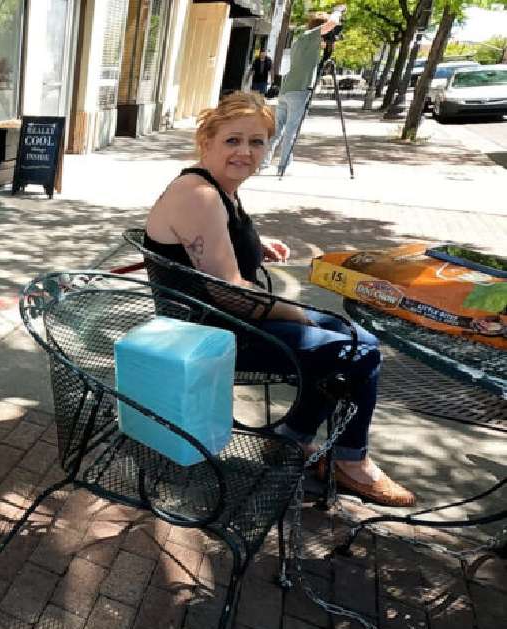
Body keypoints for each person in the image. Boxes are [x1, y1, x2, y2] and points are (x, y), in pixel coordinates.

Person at [144, 91, 416, 507]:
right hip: (211, 336)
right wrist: (298, 313)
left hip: (223, 322)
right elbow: (230, 292)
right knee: (357, 352)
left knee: (360, 338)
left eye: (257, 142)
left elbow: (215, 245)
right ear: (207, 141)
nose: (245, 152)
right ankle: (346, 460)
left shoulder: (219, 187)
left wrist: (255, 242)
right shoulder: (198, 194)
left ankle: (294, 439)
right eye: (233, 140)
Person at [262, 12, 341, 175]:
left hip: (286, 90)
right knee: (291, 130)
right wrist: (339, 10)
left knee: (278, 130)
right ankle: (283, 166)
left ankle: (263, 163)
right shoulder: (310, 36)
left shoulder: (301, 40)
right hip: (300, 91)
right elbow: (333, 22)